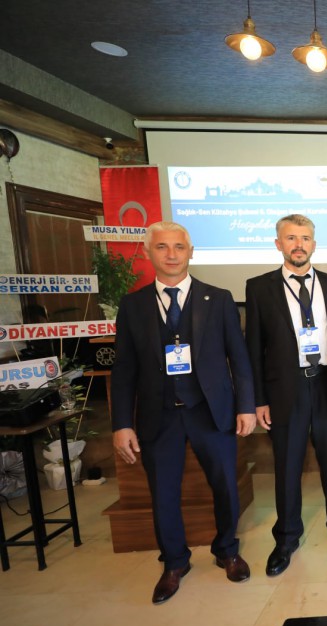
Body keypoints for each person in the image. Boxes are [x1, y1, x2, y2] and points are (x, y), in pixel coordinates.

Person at [111, 221, 255, 604]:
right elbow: (124, 369)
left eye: (179, 247)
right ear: (148, 253)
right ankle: (174, 562)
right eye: (162, 247)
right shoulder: (133, 306)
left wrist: (246, 406)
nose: (171, 254)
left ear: (191, 252)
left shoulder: (219, 299)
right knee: (163, 493)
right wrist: (121, 423)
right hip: (158, 416)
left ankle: (227, 550)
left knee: (225, 486)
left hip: (211, 411)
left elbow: (239, 358)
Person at [245, 214, 327, 577]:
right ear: (278, 244)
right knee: (287, 466)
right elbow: (253, 350)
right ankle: (286, 538)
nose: (299, 244)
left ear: (314, 244)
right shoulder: (259, 288)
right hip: (285, 390)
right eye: (291, 238)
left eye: (305, 238)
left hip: (326, 384)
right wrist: (258, 400)